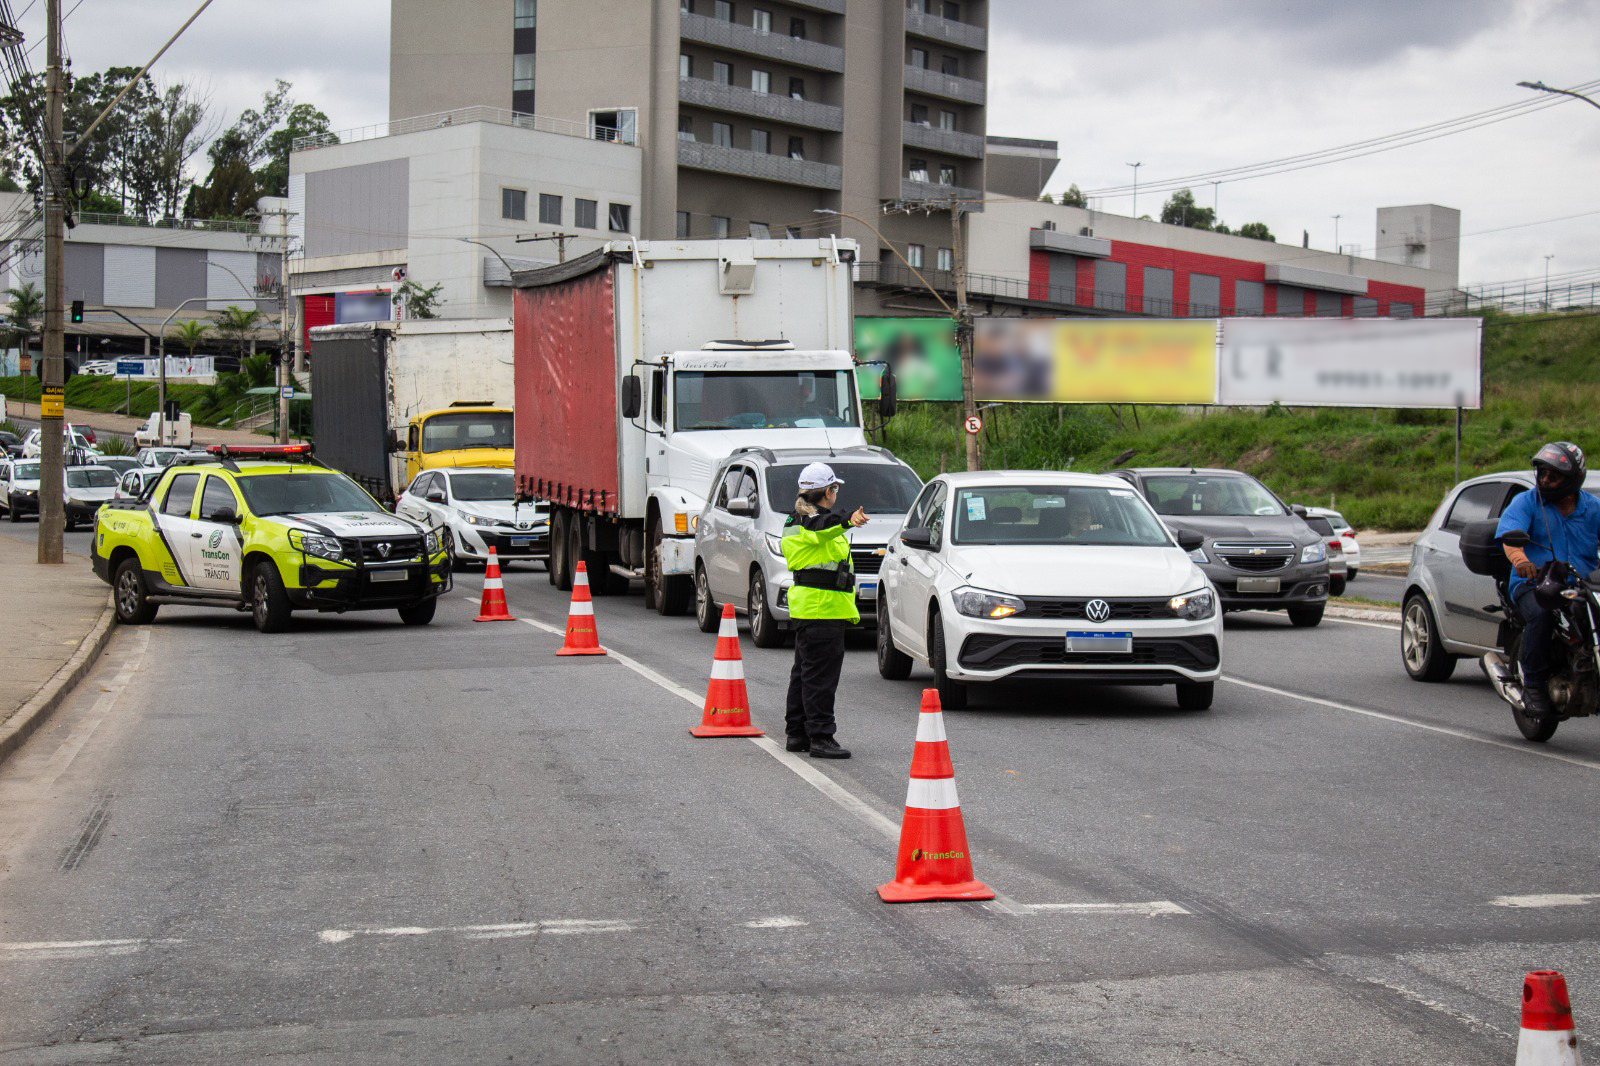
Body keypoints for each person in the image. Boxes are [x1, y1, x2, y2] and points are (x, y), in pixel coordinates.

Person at [1496, 441, 1600, 719]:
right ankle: (1533, 686)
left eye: (1553, 476)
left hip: (1583, 585)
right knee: (1541, 616)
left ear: (1574, 478)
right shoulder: (1527, 502)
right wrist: (1522, 562)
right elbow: (1510, 538)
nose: (1545, 480)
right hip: (1535, 583)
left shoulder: (1593, 508)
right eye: (1542, 473)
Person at [781, 461, 867, 758]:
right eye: (835, 488)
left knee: (805, 674)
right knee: (820, 678)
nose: (837, 494)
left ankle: (797, 733)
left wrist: (843, 522)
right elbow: (824, 525)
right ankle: (820, 737)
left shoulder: (797, 520)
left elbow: (823, 527)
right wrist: (848, 520)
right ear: (827, 492)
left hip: (812, 608)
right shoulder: (809, 521)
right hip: (823, 610)